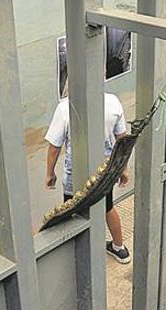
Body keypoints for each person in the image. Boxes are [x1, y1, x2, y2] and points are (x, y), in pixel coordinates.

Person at [44, 86, 132, 263]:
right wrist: (123, 168)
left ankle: (73, 257)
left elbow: (54, 147)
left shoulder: (64, 107)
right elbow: (122, 140)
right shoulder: (113, 101)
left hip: (75, 176)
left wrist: (49, 173)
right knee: (107, 207)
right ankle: (119, 248)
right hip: (104, 173)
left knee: (70, 212)